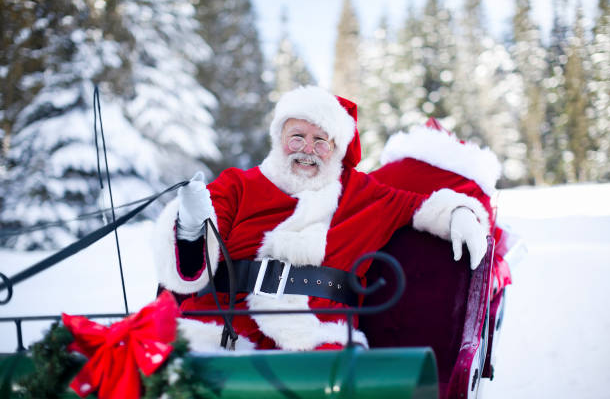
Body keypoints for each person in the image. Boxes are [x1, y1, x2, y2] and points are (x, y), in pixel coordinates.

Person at [153, 86, 491, 351]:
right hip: (218, 328)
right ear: (279, 139)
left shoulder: (362, 192)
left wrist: (458, 214)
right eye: (297, 136)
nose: (307, 148)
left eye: (320, 141)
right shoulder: (237, 184)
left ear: (337, 149)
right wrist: (191, 226)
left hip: (313, 337)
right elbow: (193, 261)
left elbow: (421, 205)